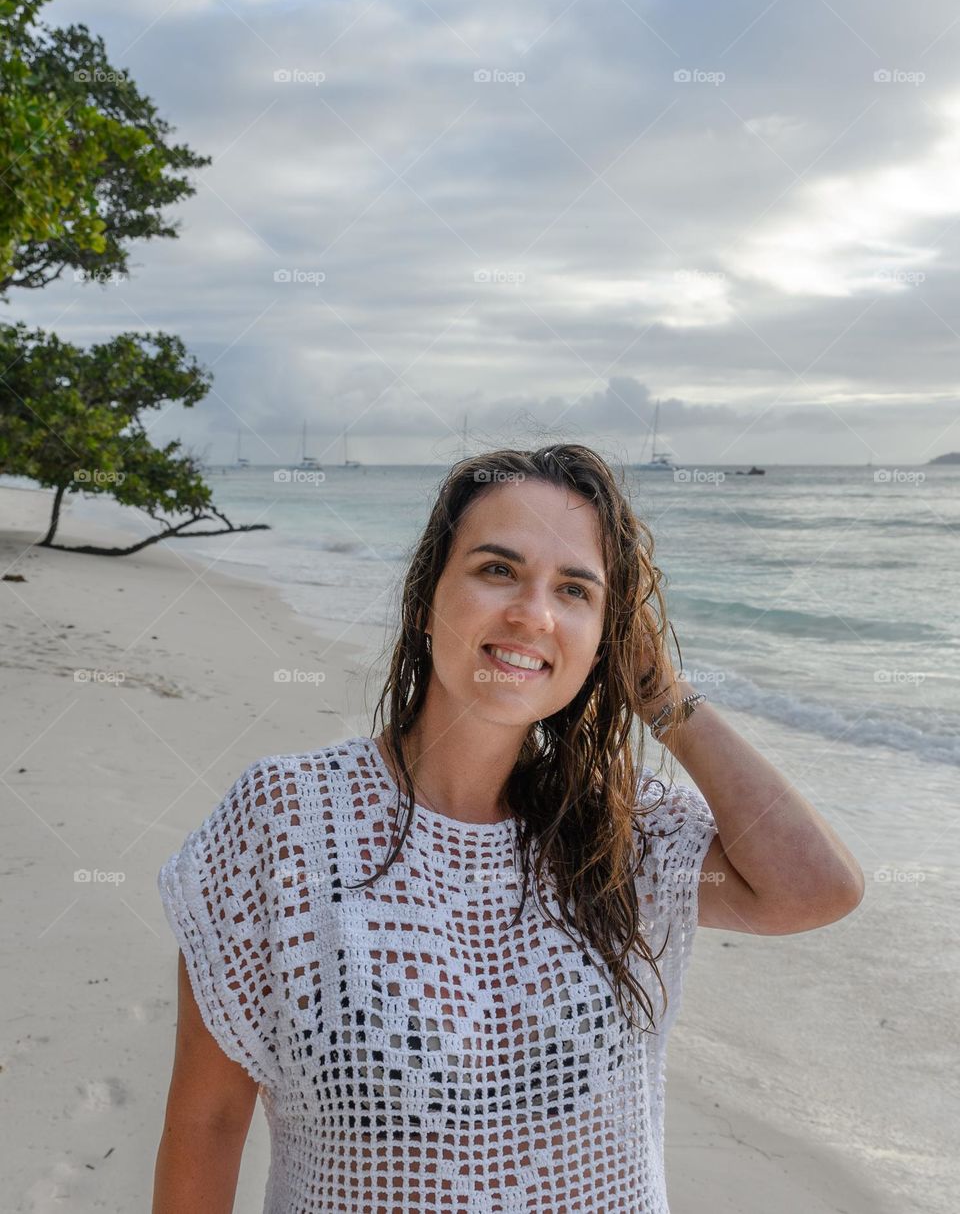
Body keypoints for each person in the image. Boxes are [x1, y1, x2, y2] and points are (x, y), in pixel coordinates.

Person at [152, 443, 865, 1213]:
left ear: (606, 644)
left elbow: (814, 888)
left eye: (575, 591)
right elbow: (208, 1118)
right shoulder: (288, 817)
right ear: (428, 598)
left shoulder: (617, 831)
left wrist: (664, 700)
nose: (533, 614)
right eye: (497, 570)